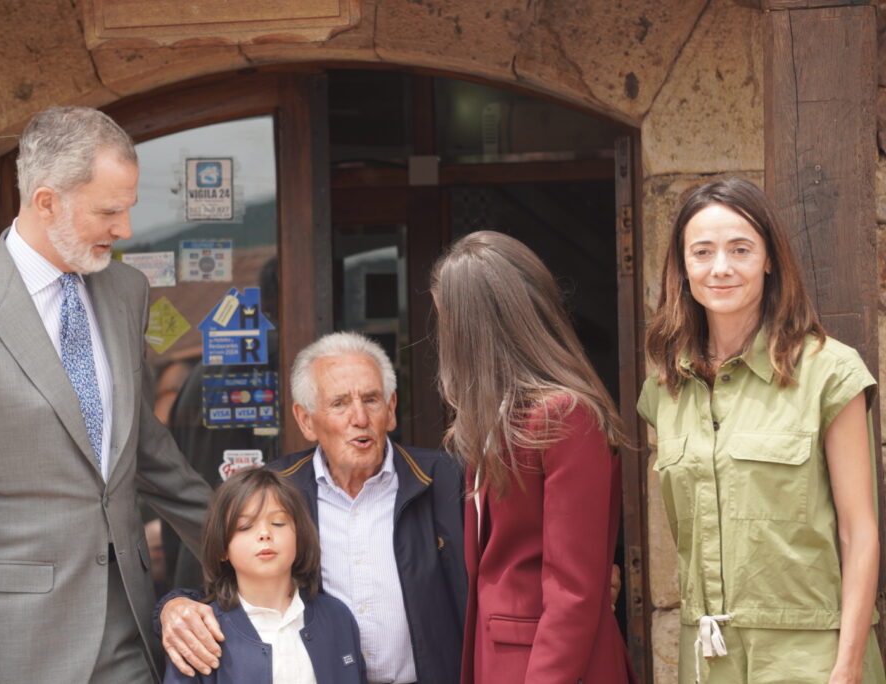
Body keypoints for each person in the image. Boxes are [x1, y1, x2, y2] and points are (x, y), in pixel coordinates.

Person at [0, 106, 220, 684]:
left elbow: (143, 452)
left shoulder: (126, 291)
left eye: (129, 208)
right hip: (12, 649)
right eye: (109, 211)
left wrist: (243, 540)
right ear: (46, 203)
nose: (126, 230)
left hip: (129, 634)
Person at [637, 177, 886, 683]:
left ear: (770, 259)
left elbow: (859, 532)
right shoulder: (665, 389)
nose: (721, 267)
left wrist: (847, 666)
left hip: (809, 658)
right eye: (702, 252)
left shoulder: (828, 373)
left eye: (740, 249)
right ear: (683, 268)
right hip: (707, 658)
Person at [158, 331, 467, 684]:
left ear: (391, 410)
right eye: (339, 403)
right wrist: (172, 606)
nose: (360, 418)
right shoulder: (276, 491)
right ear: (305, 420)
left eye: (371, 399)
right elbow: (222, 580)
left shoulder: (444, 480)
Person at [431, 230, 635, 683]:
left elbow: (571, 590)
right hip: (504, 659)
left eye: (446, 319)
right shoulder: (496, 421)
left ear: (475, 326)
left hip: (549, 667)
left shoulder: (566, 415)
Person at [163, 468, 366, 684]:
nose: (264, 533)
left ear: (299, 535)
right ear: (222, 547)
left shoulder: (337, 616)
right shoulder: (200, 630)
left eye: (278, 522)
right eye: (245, 526)